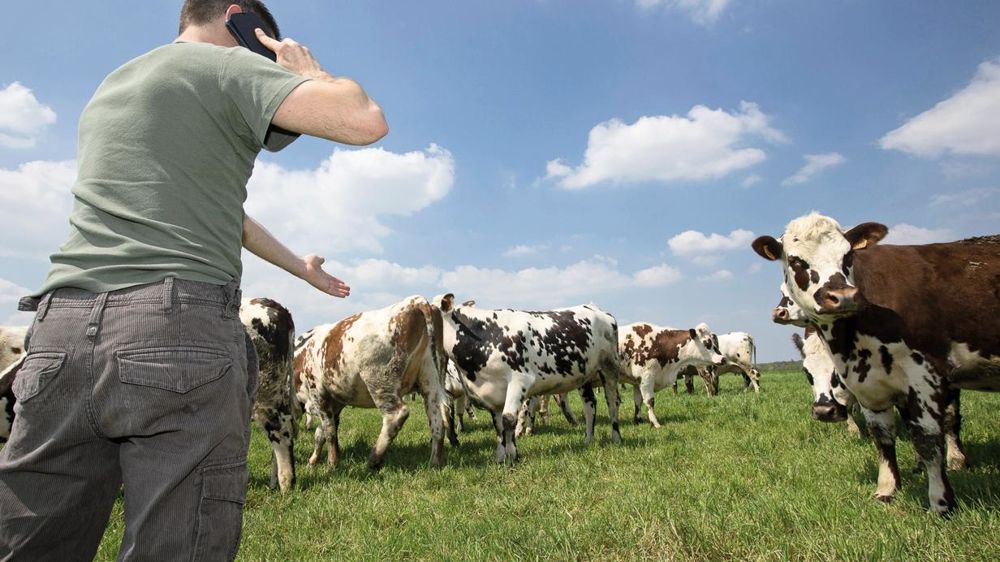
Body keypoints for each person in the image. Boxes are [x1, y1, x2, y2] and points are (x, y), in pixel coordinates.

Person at [0, 1, 386, 560]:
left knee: (33, 546)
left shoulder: (115, 84)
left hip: (58, 334)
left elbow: (222, 212)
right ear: (237, 21)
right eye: (260, 49)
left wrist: (300, 268)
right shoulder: (226, 66)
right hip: (171, 330)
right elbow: (363, 119)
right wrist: (306, 72)